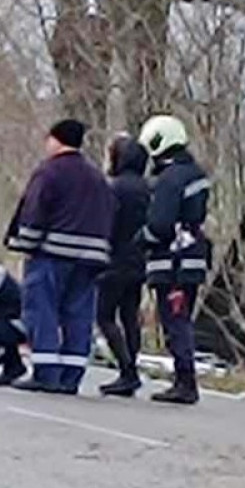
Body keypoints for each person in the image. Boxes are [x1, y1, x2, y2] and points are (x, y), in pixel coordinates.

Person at [6, 119, 116, 394]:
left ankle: (45, 373)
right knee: (78, 316)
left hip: (51, 255)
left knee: (41, 311)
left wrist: (23, 242)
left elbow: (35, 210)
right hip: (90, 259)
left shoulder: (49, 172)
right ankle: (71, 376)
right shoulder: (96, 177)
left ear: (55, 139)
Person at [137, 114, 212, 405]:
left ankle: (185, 383)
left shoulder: (169, 179)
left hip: (172, 263)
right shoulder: (196, 174)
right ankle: (184, 380)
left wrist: (139, 241)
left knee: (174, 321)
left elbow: (160, 224)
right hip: (192, 258)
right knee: (183, 318)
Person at [98, 133, 153, 397]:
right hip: (140, 259)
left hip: (115, 257)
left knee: (105, 315)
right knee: (130, 314)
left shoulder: (113, 188)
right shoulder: (148, 188)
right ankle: (131, 365)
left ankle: (127, 369)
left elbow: (106, 223)